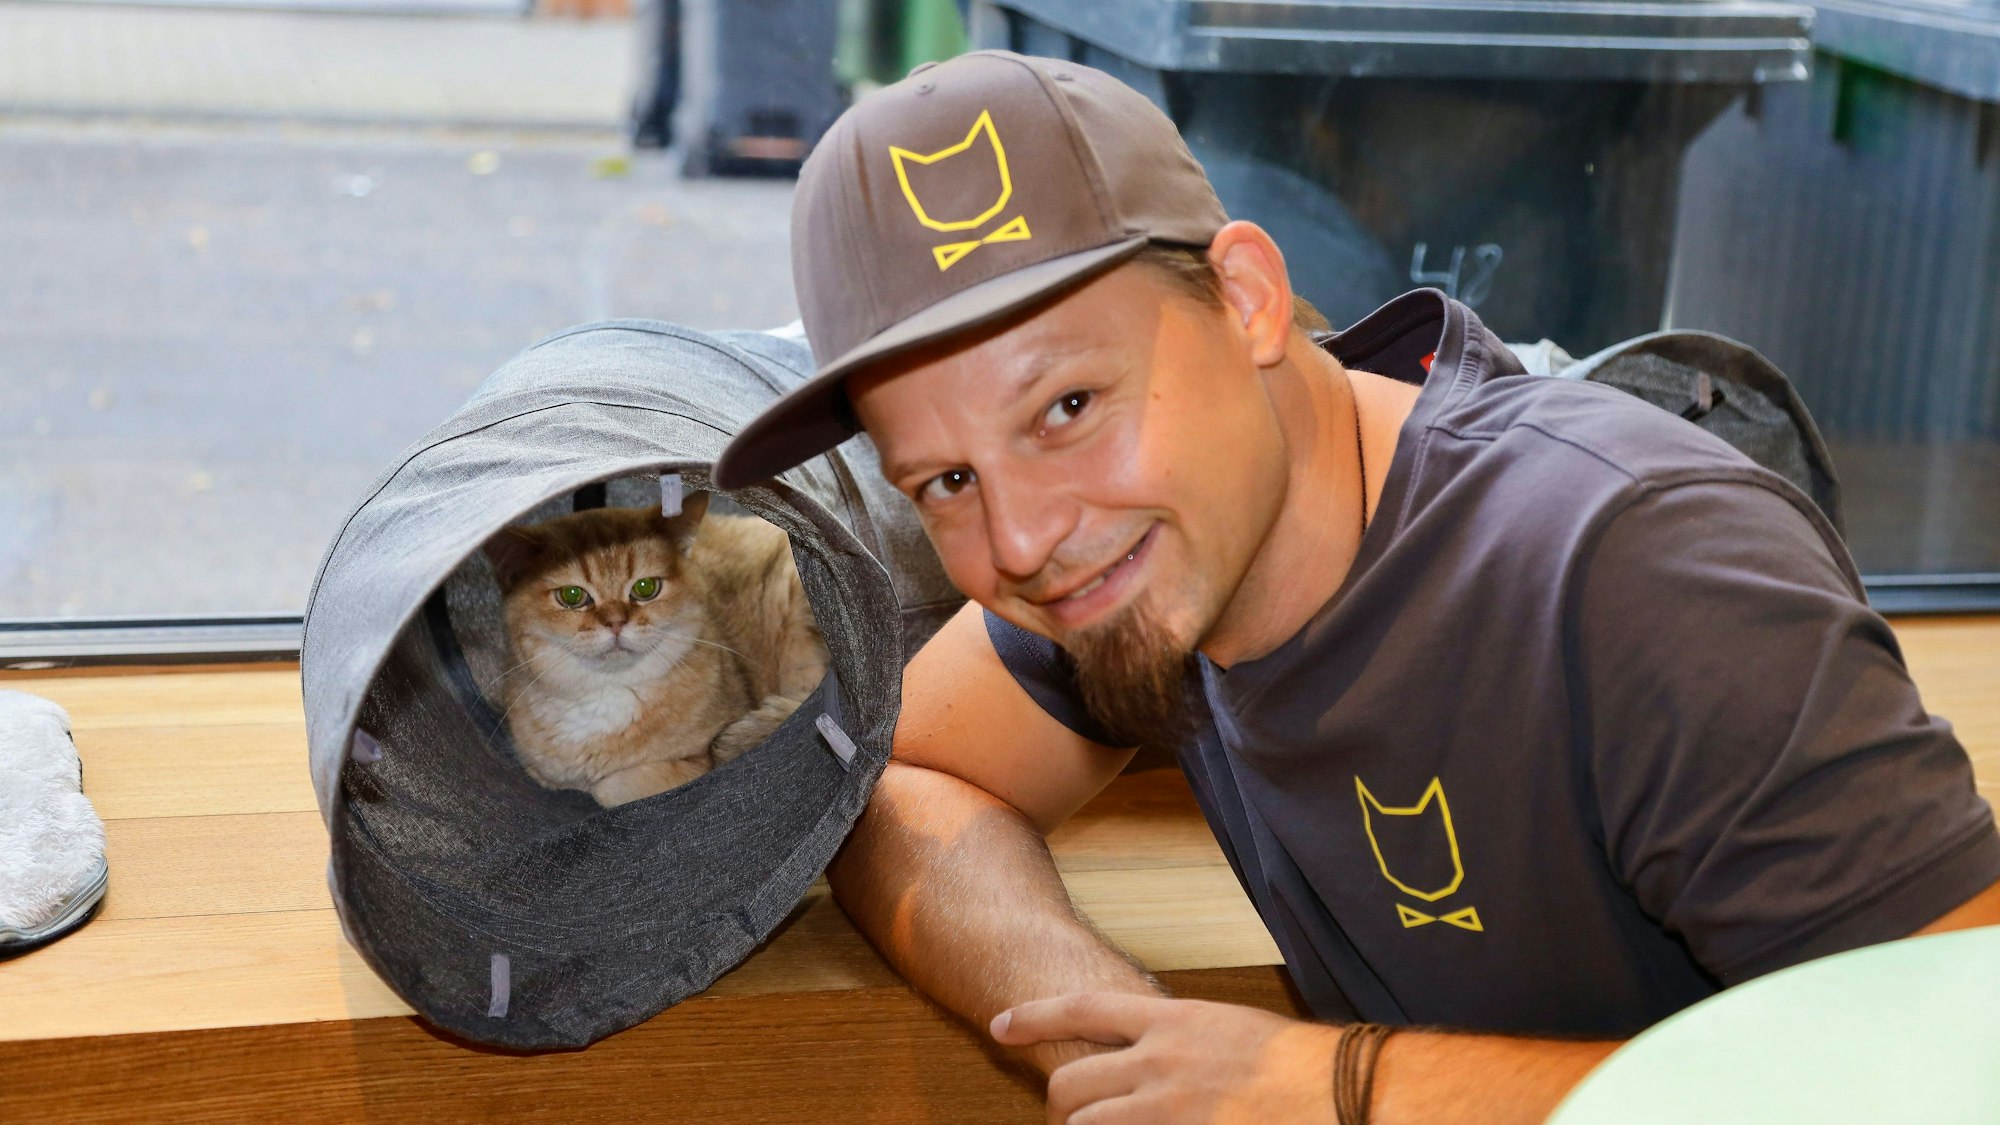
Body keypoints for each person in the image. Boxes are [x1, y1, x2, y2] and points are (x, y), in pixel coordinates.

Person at [713, 50, 2000, 1123]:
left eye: (1066, 404)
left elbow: (1948, 1073)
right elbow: (907, 783)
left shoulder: (1638, 567)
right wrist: (1118, 1038)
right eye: (941, 481)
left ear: (1249, 298)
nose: (1021, 542)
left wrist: (1339, 1083)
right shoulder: (1138, 562)